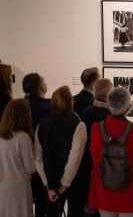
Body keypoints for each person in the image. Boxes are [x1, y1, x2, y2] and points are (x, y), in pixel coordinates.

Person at [89, 87, 133, 217]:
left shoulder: (96, 128)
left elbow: (95, 156)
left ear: (107, 104)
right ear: (128, 107)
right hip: (131, 191)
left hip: (104, 190)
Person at [35, 86, 88, 217]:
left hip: (51, 181)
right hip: (75, 183)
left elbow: (38, 159)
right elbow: (74, 159)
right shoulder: (78, 125)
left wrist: (48, 185)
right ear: (71, 102)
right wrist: (64, 185)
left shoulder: (42, 124)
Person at [81, 78, 113, 216]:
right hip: (107, 164)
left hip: (88, 161)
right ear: (108, 95)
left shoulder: (87, 112)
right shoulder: (110, 115)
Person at [22, 72, 51, 217]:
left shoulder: (21, 106)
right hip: (42, 160)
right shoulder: (48, 108)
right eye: (44, 82)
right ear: (41, 87)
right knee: (44, 202)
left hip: (22, 159)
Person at [0, 99, 35, 217]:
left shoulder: (1, 137)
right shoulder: (23, 138)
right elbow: (30, 168)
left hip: (3, 188)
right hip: (20, 189)